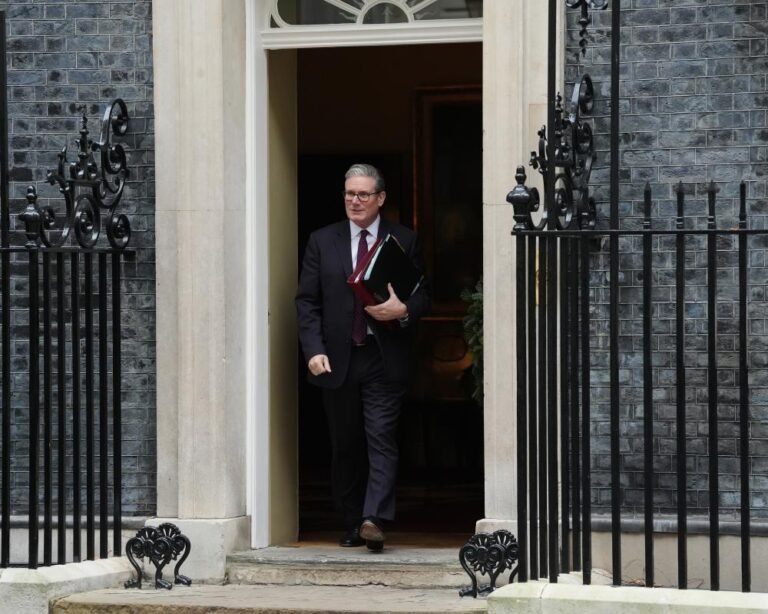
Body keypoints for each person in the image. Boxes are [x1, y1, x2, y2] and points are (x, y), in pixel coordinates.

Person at [295, 163, 430, 551]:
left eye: (363, 195)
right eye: (349, 194)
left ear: (380, 199)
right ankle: (353, 521)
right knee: (345, 445)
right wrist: (313, 349)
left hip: (383, 356)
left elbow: (422, 295)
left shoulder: (403, 239)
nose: (355, 201)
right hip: (337, 359)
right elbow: (307, 302)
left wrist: (401, 310)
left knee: (381, 437)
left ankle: (375, 517)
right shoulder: (322, 241)